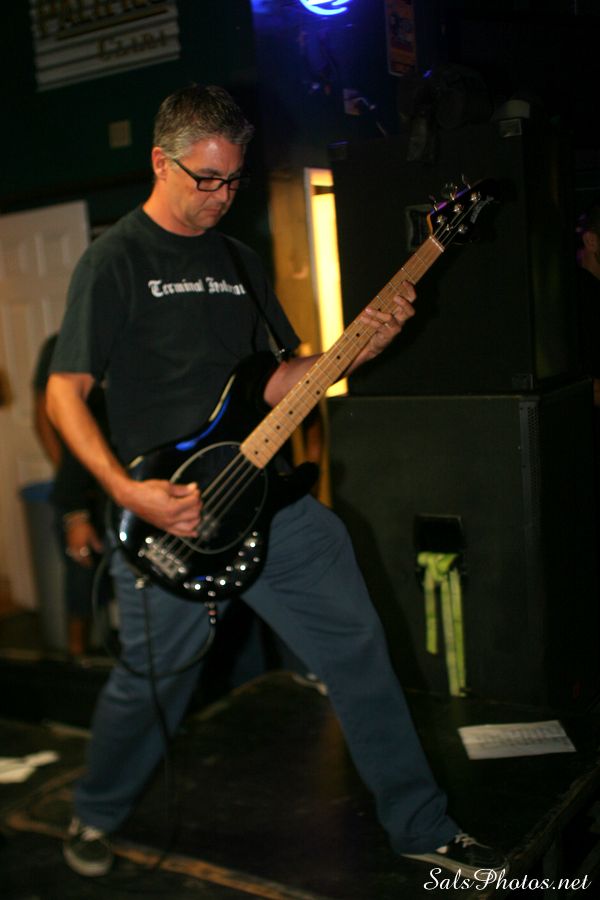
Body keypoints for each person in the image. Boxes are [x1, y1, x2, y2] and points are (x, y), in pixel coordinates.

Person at [46, 85, 507, 880]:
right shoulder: (115, 260)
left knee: (359, 646)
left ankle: (421, 825)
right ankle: (95, 811)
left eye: (234, 179)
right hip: (171, 511)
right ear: (160, 161)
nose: (222, 195)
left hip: (268, 496)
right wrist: (124, 491)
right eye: (206, 179)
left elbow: (278, 381)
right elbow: (65, 394)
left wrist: (362, 346)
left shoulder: (239, 260)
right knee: (153, 685)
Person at [33, 334, 108, 657]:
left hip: (122, 485)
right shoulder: (61, 347)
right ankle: (75, 657)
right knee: (81, 573)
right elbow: (43, 416)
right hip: (80, 485)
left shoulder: (126, 341)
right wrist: (68, 476)